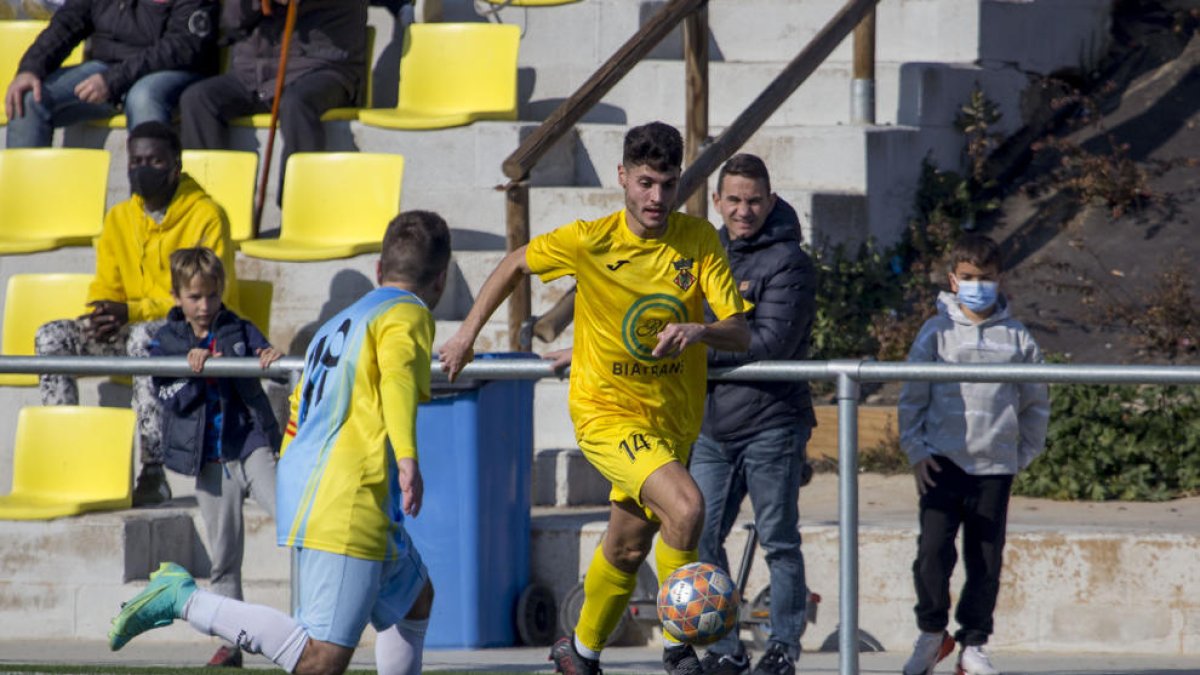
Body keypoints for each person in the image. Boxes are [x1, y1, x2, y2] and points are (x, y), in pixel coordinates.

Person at [439, 121, 752, 675]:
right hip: (607, 415)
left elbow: (739, 330)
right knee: (687, 507)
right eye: (646, 183)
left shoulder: (698, 239)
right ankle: (681, 650)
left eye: (669, 184)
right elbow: (515, 262)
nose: (657, 197)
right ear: (623, 178)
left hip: (672, 422)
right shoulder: (591, 239)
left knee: (629, 546)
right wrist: (466, 334)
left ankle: (579, 654)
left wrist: (699, 330)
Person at [107, 210, 450, 675]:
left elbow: (299, 409)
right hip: (350, 496)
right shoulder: (408, 313)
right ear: (441, 280)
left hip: (326, 485)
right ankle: (184, 600)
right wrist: (408, 457)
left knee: (415, 599)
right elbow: (397, 378)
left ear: (377, 270)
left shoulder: (341, 321)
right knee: (320, 659)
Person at [35, 121, 239, 507]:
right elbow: (106, 287)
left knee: (147, 337)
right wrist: (101, 313)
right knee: (52, 337)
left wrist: (131, 311)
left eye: (155, 161)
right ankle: (64, 459)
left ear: (176, 166)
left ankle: (153, 469)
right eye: (135, 161)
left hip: (196, 333)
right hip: (132, 327)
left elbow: (205, 299)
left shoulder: (207, 216)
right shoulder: (119, 219)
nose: (142, 169)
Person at [898, 233, 1050, 675]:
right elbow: (912, 395)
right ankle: (932, 634)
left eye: (985, 278)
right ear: (952, 279)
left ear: (1000, 280)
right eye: (967, 278)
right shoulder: (936, 332)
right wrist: (916, 451)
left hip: (994, 467)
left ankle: (973, 644)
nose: (976, 286)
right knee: (932, 554)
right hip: (943, 463)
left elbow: (1035, 401)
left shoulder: (1017, 338)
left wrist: (1022, 453)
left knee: (985, 558)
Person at [689, 154, 816, 675]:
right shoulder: (704, 251)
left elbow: (771, 343)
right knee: (699, 534)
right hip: (711, 424)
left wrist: (694, 342)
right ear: (717, 202)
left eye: (754, 200)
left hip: (772, 421)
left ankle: (784, 645)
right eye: (734, 200)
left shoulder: (791, 262)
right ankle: (725, 648)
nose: (744, 211)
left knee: (779, 538)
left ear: (770, 199)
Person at [149, 247, 282, 668]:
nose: (205, 306)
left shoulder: (237, 327)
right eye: (194, 297)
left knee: (296, 521)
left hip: (251, 445)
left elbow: (276, 368)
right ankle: (232, 642)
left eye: (211, 295)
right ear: (176, 297)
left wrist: (268, 358)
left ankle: (311, 627)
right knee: (224, 556)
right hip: (209, 461)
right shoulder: (166, 342)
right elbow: (168, 396)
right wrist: (195, 373)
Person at [179, 0, 368, 194]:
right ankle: (212, 199)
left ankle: (296, 203)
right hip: (253, 72)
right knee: (197, 99)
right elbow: (232, 21)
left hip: (320, 67)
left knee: (296, 103)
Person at [4, 0, 218, 147]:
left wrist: (114, 80)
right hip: (108, 69)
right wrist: (31, 67)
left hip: (171, 71)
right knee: (29, 97)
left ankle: (150, 206)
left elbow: (182, 46)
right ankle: (25, 204)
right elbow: (68, 21)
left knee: (143, 98)